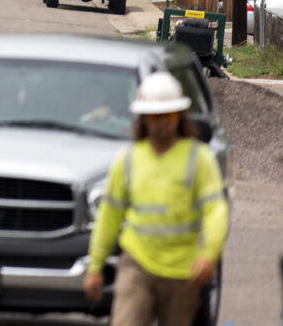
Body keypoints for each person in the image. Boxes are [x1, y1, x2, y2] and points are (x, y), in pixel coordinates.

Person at [84, 72, 228, 326]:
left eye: (169, 116)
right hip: (138, 265)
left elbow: (215, 209)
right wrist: (95, 266)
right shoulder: (128, 160)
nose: (162, 123)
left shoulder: (199, 158)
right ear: (144, 119)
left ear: (180, 116)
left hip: (184, 271)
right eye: (154, 117)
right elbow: (109, 215)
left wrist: (209, 255)